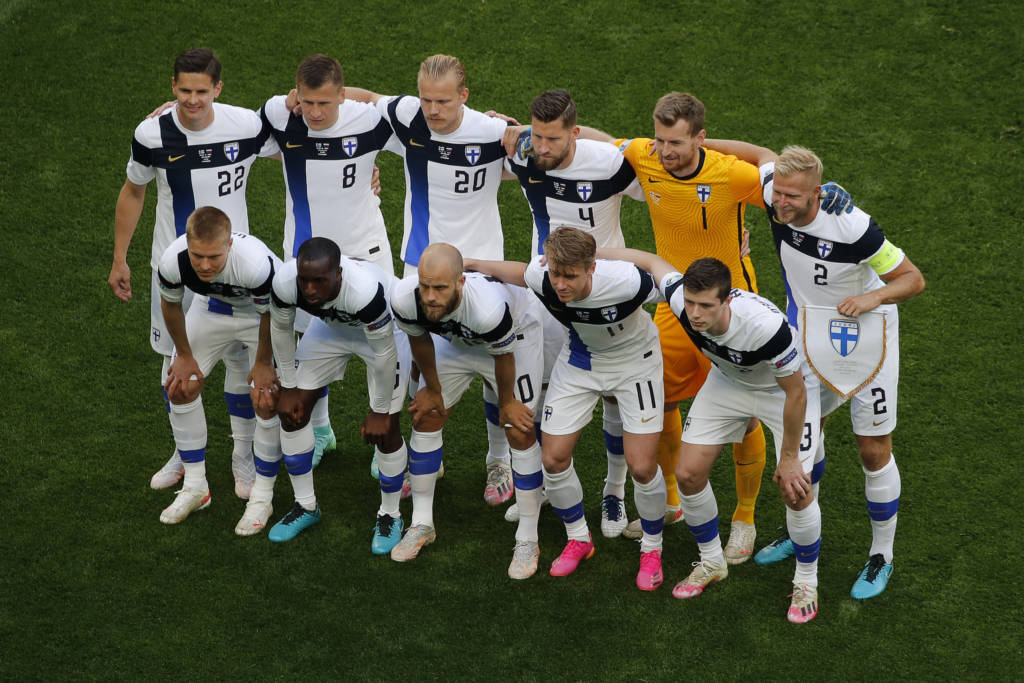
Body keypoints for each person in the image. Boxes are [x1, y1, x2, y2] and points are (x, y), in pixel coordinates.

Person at [579, 92, 849, 560]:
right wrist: (527, 131)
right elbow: (601, 141)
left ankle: (744, 517)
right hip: (675, 306)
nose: (665, 151)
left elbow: (776, 175)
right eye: (661, 140)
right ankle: (671, 500)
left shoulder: (731, 174)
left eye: (677, 142)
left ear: (700, 138)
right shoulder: (645, 154)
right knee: (662, 398)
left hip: (732, 312)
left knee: (745, 413)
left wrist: (829, 197)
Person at [706, 140, 925, 599]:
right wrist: (697, 143)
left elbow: (912, 279)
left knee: (872, 448)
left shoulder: (853, 225)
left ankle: (881, 554)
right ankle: (798, 530)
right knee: (807, 437)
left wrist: (870, 297)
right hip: (806, 336)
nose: (781, 203)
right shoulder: (775, 195)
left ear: (818, 194)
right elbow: (759, 153)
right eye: (779, 194)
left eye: (794, 196)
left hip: (868, 340)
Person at [600, 249, 823, 622]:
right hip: (728, 382)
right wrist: (596, 253)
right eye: (690, 303)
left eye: (705, 306)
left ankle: (806, 581)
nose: (695, 314)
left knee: (795, 488)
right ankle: (712, 562)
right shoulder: (681, 301)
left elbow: (796, 392)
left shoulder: (765, 328)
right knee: (688, 474)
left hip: (783, 391)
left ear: (727, 300)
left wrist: (788, 458)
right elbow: (651, 262)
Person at [340, 54, 518, 504]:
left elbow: (551, 153)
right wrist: (297, 99)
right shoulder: (407, 115)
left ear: (464, 96)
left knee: (493, 364)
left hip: (482, 270)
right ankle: (428, 456)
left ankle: (498, 459)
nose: (433, 110)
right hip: (420, 265)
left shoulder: (493, 132)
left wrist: (518, 135)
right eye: (426, 100)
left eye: (444, 101)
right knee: (417, 358)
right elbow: (364, 98)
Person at [109, 49, 273, 496]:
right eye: (185, 91)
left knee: (240, 362)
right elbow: (133, 191)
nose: (193, 100)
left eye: (202, 91)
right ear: (172, 86)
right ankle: (184, 454)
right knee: (175, 365)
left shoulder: (245, 124)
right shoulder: (151, 133)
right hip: (174, 270)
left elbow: (295, 148)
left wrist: (367, 173)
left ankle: (242, 457)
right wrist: (120, 257)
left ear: (218, 88)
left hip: (231, 269)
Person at [468, 227, 668, 591]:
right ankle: (579, 538)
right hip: (580, 361)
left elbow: (670, 280)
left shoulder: (627, 282)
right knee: (553, 458)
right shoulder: (543, 276)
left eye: (571, 276)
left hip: (635, 363)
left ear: (592, 268)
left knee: (642, 466)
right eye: (556, 273)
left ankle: (652, 548)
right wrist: (470, 262)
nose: (560, 284)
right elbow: (518, 272)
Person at [498, 89, 646, 536]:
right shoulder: (522, 153)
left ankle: (614, 491)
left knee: (614, 394)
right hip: (549, 295)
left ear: (575, 133)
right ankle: (546, 483)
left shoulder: (609, 162)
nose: (542, 148)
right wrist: (503, 127)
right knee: (545, 386)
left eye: (554, 139)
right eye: (537, 136)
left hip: (608, 294)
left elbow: (664, 194)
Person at [261, 54, 398, 467]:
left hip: (366, 252)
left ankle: (385, 433)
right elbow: (230, 126)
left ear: (342, 95)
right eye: (307, 102)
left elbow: (428, 116)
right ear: (295, 95)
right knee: (308, 342)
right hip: (305, 258)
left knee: (382, 344)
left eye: (325, 102)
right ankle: (321, 430)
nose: (316, 112)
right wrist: (173, 110)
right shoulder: (280, 115)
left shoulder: (370, 119)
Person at [389, 244, 546, 579]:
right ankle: (421, 523)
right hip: (456, 340)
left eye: (440, 288)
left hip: (513, 338)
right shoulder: (405, 298)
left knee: (520, 430)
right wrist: (433, 389)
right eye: (424, 286)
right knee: (426, 416)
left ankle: (528, 538)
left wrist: (507, 402)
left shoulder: (488, 310)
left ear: (460, 282)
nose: (430, 297)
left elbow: (503, 357)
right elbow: (420, 340)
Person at [247, 237, 410, 550]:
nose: (309, 290)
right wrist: (289, 388)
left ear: (338, 274)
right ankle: (305, 505)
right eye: (304, 280)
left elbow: (385, 353)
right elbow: (280, 329)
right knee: (291, 412)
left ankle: (390, 515)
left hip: (386, 335)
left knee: (387, 427)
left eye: (319, 281)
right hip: (330, 328)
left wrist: (379, 411)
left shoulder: (365, 291)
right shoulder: (285, 282)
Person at [155, 206, 279, 525]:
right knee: (179, 386)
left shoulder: (255, 265)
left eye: (214, 257)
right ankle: (196, 486)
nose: (205, 265)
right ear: (187, 244)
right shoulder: (173, 260)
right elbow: (170, 305)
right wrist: (184, 356)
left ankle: (259, 488)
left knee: (267, 397)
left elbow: (271, 314)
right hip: (211, 309)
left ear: (229, 245)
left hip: (259, 318)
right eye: (198, 256)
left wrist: (263, 362)